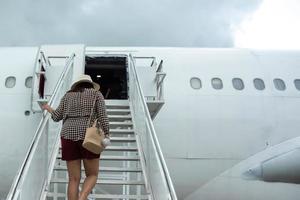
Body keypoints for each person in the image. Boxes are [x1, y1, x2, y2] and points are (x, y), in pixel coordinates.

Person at [42, 74, 110, 200]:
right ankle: (82, 197)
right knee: (92, 175)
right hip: (88, 135)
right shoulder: (96, 94)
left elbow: (57, 116)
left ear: (77, 84)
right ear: (90, 84)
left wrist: (48, 108)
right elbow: (103, 117)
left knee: (73, 179)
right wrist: (107, 134)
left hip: (67, 135)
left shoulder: (68, 95)